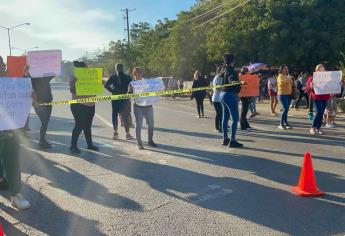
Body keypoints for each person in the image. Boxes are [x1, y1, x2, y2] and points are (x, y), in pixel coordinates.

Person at [0, 55, 31, 210]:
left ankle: (16, 195)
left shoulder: (11, 83)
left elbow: (25, 100)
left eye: (2, 65)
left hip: (11, 133)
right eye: (1, 65)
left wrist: (29, 95)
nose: (3, 68)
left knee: (13, 163)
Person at [69, 61, 99, 154]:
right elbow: (72, 90)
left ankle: (89, 145)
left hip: (91, 105)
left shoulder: (91, 75)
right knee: (79, 125)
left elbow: (95, 87)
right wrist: (75, 82)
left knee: (88, 126)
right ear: (82, 68)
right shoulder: (74, 76)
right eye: (86, 67)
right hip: (79, 105)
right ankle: (73, 146)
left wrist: (99, 82)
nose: (88, 68)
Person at [128, 67, 157, 150]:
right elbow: (128, 93)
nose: (140, 73)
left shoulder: (146, 81)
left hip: (148, 106)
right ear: (134, 74)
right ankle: (139, 143)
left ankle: (150, 140)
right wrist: (131, 91)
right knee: (139, 125)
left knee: (151, 124)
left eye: (141, 72)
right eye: (138, 72)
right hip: (138, 107)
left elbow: (153, 89)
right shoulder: (132, 83)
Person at [219, 54, 243, 148]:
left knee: (225, 117)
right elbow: (232, 80)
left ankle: (225, 139)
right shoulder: (230, 70)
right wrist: (238, 83)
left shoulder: (223, 69)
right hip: (229, 95)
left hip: (222, 94)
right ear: (233, 61)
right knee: (235, 118)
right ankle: (232, 140)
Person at [104, 64, 133, 140]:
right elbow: (132, 86)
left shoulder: (113, 77)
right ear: (123, 68)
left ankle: (115, 132)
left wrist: (113, 91)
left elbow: (106, 85)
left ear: (116, 69)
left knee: (114, 115)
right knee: (125, 116)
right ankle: (127, 134)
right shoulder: (128, 77)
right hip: (125, 99)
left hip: (115, 99)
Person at [31, 70, 54, 149]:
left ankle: (43, 140)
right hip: (38, 104)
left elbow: (54, 73)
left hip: (48, 102)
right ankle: (41, 141)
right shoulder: (33, 78)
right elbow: (29, 87)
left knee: (46, 122)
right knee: (44, 122)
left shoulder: (46, 76)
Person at [305, 64, 330, 135]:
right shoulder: (312, 78)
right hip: (316, 97)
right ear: (317, 71)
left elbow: (332, 86)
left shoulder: (327, 79)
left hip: (325, 97)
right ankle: (313, 127)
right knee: (318, 112)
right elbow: (307, 88)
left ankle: (318, 128)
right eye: (320, 70)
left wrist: (338, 84)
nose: (321, 71)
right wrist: (310, 86)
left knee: (321, 113)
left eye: (323, 70)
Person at [277, 64, 293, 130]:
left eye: (287, 68)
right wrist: (288, 78)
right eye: (285, 68)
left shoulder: (287, 76)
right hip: (282, 95)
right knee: (285, 108)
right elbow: (281, 83)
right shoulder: (280, 76)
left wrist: (291, 79)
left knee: (286, 109)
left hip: (288, 94)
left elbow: (291, 83)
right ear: (281, 69)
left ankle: (285, 123)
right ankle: (281, 124)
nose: (286, 69)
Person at [212, 67, 223, 133]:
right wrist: (224, 87)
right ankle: (217, 128)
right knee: (219, 113)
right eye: (222, 70)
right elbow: (217, 87)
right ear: (219, 71)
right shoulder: (217, 77)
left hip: (220, 98)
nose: (223, 71)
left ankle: (220, 126)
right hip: (216, 98)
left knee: (221, 114)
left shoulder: (221, 77)